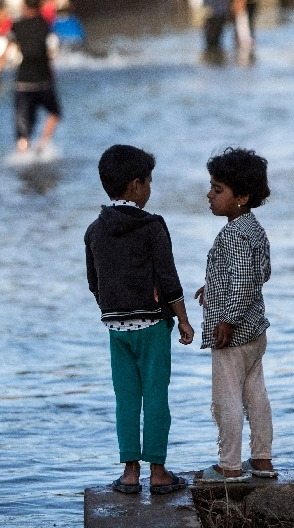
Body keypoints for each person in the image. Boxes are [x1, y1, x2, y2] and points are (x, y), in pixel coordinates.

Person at [85, 144, 195, 495]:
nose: (149, 189)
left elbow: (93, 282)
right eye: (148, 182)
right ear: (136, 184)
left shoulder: (94, 230)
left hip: (115, 327)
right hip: (151, 326)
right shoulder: (152, 226)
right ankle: (158, 472)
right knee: (156, 396)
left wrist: (113, 306)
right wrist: (184, 321)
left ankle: (130, 473)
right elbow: (169, 279)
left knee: (126, 399)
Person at [194, 147, 276, 483]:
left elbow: (242, 280)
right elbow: (260, 273)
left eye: (217, 189)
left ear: (242, 197)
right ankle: (262, 459)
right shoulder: (254, 229)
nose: (209, 195)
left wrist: (227, 319)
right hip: (256, 331)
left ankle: (229, 465)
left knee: (226, 398)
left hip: (234, 334)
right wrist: (213, 285)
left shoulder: (232, 234)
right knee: (255, 394)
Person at [0, 0, 61, 154]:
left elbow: (3, 56)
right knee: (54, 113)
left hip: (23, 84)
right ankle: (42, 146)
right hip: (44, 82)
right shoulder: (45, 24)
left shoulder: (17, 27)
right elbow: (48, 53)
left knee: (23, 132)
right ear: (40, 5)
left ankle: (24, 156)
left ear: (23, 4)